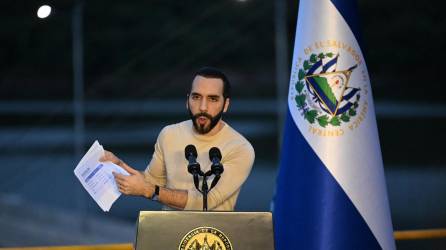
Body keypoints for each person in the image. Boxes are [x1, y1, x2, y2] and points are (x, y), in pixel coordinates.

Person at [100, 67, 255, 211]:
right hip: (171, 234)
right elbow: (152, 182)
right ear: (187, 101)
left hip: (215, 238)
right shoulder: (169, 134)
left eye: (212, 99)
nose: (203, 107)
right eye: (196, 97)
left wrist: (149, 190)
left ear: (226, 104)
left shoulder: (241, 148)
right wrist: (118, 166)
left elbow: (205, 201)